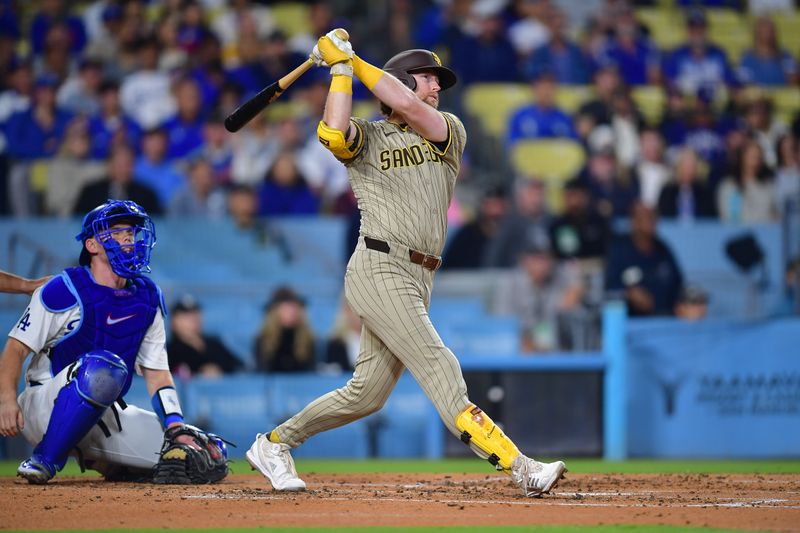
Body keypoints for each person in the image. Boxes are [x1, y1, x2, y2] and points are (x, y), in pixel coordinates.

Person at [244, 31, 567, 497]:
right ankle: (522, 468)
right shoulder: (370, 136)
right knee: (440, 367)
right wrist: (340, 70)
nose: (436, 87)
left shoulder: (447, 129)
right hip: (378, 266)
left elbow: (414, 109)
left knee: (366, 395)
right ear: (398, 79)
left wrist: (350, 60)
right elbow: (334, 131)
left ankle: (274, 443)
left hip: (418, 276)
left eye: (438, 79)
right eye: (427, 77)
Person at [0, 200, 227, 484]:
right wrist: (7, 399)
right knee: (102, 368)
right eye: (117, 232)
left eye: (130, 233)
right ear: (92, 245)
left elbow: (157, 374)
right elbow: (15, 348)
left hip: (101, 414)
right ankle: (45, 458)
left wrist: (175, 426)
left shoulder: (148, 296)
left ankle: (109, 463)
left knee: (204, 456)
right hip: (43, 406)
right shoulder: (63, 288)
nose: (128, 239)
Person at [491, 242, 584, 353]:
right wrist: (526, 342)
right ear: (524, 260)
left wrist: (575, 290)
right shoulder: (510, 284)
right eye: (537, 259)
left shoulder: (558, 277)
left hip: (554, 354)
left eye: (547, 258)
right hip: (517, 355)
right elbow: (503, 326)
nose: (543, 265)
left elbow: (576, 280)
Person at [605, 201, 685, 317]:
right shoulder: (619, 250)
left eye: (653, 216)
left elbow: (678, 286)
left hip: (664, 320)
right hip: (631, 322)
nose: (650, 221)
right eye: (644, 216)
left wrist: (682, 305)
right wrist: (629, 294)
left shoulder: (663, 250)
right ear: (633, 221)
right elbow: (609, 287)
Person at [167, 294, 243, 379]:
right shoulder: (169, 352)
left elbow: (239, 367)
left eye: (195, 312)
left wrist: (221, 370)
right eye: (186, 315)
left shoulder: (215, 344)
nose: (193, 318)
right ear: (174, 322)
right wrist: (200, 373)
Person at [254, 286, 316, 373]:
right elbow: (262, 370)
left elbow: (310, 370)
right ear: (275, 311)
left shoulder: (307, 340)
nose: (292, 312)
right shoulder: (263, 340)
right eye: (287, 307)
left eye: (295, 307)